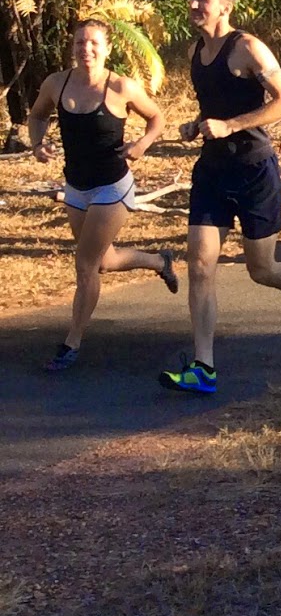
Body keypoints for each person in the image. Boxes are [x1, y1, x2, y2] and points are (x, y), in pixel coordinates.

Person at [163, 0, 281, 395]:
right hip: (213, 172)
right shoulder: (196, 52)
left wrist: (231, 125)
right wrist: (198, 126)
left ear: (224, 7)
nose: (194, 4)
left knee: (261, 268)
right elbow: (216, 110)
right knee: (200, 265)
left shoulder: (248, 47)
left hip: (255, 171)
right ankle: (204, 367)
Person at [26, 20, 177, 371]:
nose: (86, 49)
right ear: (73, 47)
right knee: (103, 261)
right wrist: (37, 143)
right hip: (76, 187)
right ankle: (160, 261)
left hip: (113, 186)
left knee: (85, 265)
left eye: (94, 43)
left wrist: (142, 143)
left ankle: (71, 342)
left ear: (107, 48)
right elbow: (36, 116)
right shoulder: (56, 83)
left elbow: (157, 117)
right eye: (80, 42)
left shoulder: (121, 86)